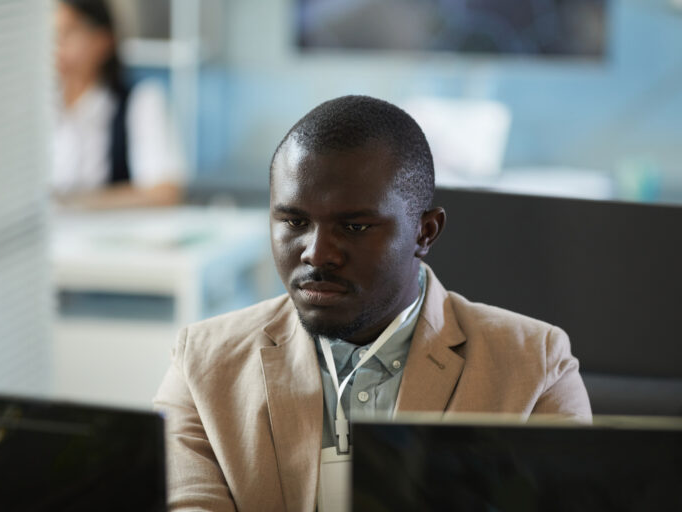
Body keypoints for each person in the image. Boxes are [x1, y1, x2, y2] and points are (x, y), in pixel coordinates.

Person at [153, 95, 591, 511]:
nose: (316, 253)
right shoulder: (204, 365)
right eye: (294, 221)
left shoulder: (535, 365)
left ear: (425, 232)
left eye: (355, 227)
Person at [53, 0, 186, 209]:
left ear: (103, 40)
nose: (56, 47)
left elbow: (164, 193)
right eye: (52, 36)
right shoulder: (37, 110)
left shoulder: (140, 100)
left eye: (67, 33)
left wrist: (76, 204)